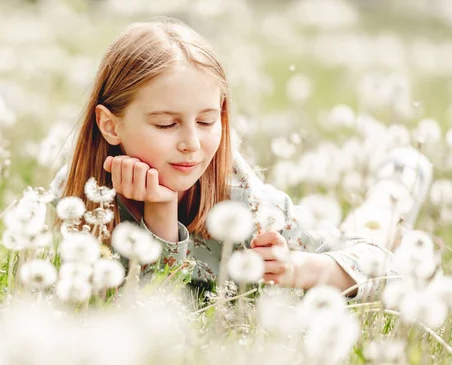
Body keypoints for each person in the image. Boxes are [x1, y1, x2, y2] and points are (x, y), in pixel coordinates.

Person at [50, 17, 432, 301]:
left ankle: (397, 183)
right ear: (110, 125)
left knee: (372, 227)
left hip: (338, 240)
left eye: (206, 121)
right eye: (166, 124)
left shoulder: (250, 206)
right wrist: (161, 215)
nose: (191, 143)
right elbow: (150, 313)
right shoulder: (78, 201)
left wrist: (297, 268)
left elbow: (388, 272)